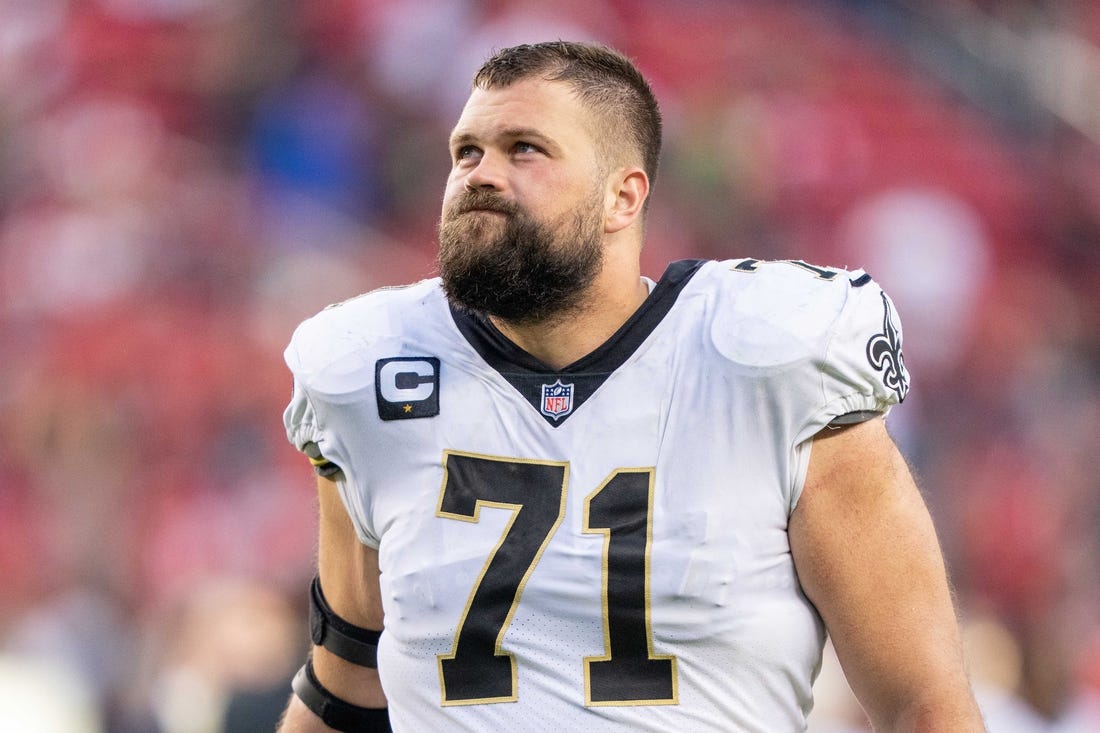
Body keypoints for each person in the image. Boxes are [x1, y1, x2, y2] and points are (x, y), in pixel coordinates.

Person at [276, 40, 985, 732]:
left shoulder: (771, 362)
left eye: (524, 148)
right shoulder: (370, 376)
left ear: (623, 195)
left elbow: (923, 705)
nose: (480, 174)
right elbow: (346, 686)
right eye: (467, 151)